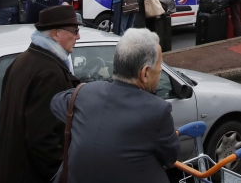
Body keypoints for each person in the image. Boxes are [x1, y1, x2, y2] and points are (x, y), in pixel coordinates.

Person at [50, 29, 179, 182]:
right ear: (144, 73)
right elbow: (170, 158)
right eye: (159, 68)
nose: (160, 71)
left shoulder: (83, 94)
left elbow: (56, 102)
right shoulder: (158, 110)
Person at [0, 6, 81, 183]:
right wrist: (60, 176)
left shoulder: (22, 60)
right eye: (75, 31)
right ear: (55, 34)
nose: (78, 36)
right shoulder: (50, 74)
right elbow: (42, 138)